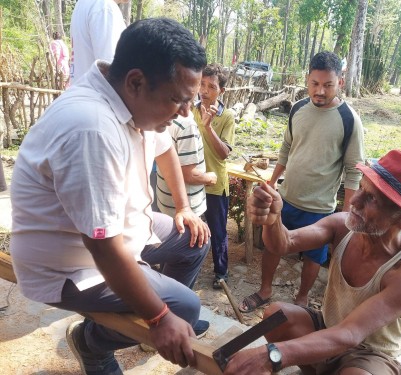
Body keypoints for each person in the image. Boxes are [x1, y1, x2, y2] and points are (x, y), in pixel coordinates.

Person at [10, 18, 211, 375]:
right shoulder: (91, 128)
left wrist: (183, 208)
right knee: (184, 307)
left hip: (124, 232)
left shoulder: (134, 103)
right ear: (135, 81)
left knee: (194, 239)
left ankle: (146, 317)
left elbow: (166, 152)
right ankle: (93, 343)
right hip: (70, 265)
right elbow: (101, 245)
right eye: (178, 100)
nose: (183, 113)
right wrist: (161, 316)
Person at [225, 150, 401, 375]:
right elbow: (284, 243)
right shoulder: (341, 227)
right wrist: (272, 220)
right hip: (330, 329)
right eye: (361, 189)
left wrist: (272, 354)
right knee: (275, 316)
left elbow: (351, 334)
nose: (355, 201)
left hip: (370, 353)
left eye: (372, 198)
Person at [240, 51, 365, 311]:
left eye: (328, 85)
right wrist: (273, 183)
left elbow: (354, 170)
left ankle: (302, 300)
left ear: (340, 82)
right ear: (307, 80)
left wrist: (345, 215)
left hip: (319, 207)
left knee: (313, 256)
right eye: (315, 84)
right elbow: (286, 148)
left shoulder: (349, 119)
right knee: (273, 246)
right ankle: (265, 290)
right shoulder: (298, 108)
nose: (320, 91)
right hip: (286, 199)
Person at [192, 63, 236, 289]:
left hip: (215, 184)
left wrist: (208, 128)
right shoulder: (191, 111)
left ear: (222, 91)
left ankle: (221, 272)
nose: (205, 90)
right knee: (193, 228)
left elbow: (224, 154)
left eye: (211, 86)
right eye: (202, 84)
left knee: (218, 231)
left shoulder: (226, 116)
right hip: (193, 181)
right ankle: (190, 267)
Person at [156, 113, 217, 217]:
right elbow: (188, 175)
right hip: (187, 210)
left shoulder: (162, 115)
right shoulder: (187, 125)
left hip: (165, 202)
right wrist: (210, 178)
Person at [70, 0, 128, 83]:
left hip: (82, 91)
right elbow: (112, 69)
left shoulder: (84, 4)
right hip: (97, 94)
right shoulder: (104, 7)